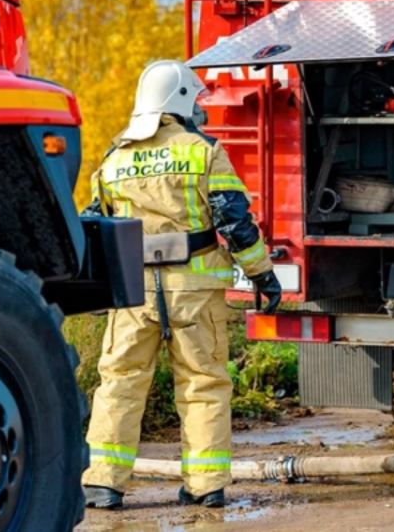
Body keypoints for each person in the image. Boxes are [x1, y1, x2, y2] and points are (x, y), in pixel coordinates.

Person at [81, 60, 282, 510]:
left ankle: (103, 483)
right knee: (203, 383)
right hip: (194, 289)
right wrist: (262, 275)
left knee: (120, 382)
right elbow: (234, 222)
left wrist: (98, 289)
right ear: (182, 100)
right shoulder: (203, 150)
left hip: (134, 291)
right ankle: (205, 485)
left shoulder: (115, 158)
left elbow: (97, 225)